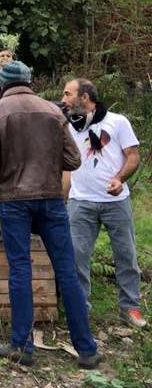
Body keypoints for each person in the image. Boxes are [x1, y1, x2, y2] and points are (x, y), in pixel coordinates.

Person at [0, 61, 100, 368]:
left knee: (20, 269)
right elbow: (73, 160)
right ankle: (86, 350)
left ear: (2, 83)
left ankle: (22, 347)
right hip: (51, 200)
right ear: (29, 81)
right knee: (67, 271)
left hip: (14, 202)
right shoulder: (53, 111)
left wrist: (9, 170)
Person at [62, 78, 146, 329]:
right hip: (81, 201)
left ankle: (130, 307)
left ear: (85, 97)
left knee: (126, 255)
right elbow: (65, 167)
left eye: (68, 94)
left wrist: (119, 178)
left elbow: (133, 156)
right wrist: (62, 197)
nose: (63, 99)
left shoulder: (117, 122)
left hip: (116, 201)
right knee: (77, 257)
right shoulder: (68, 126)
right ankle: (80, 310)